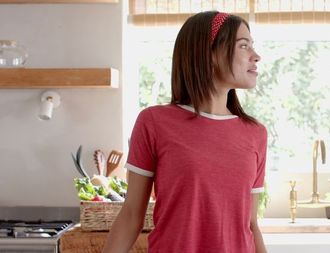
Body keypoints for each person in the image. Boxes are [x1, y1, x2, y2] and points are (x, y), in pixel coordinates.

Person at [103, 11, 267, 253]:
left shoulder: (255, 133)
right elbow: (130, 215)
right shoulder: (155, 122)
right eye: (244, 46)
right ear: (210, 53)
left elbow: (251, 224)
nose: (256, 56)